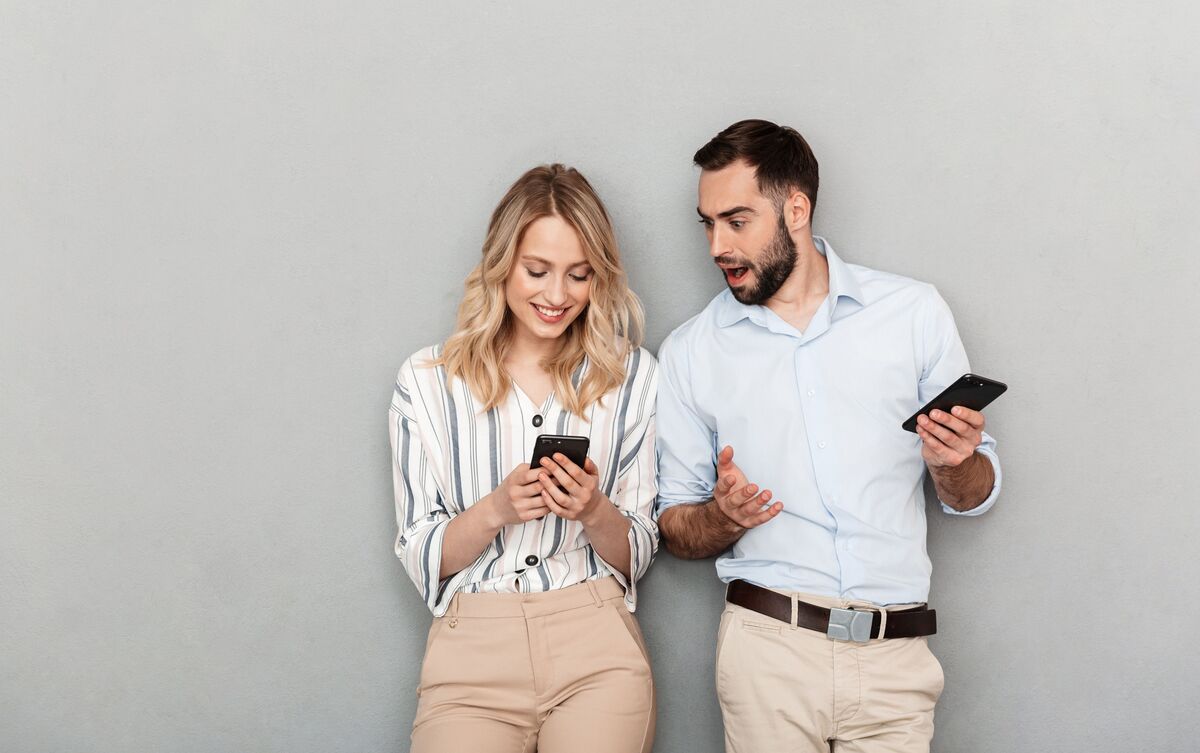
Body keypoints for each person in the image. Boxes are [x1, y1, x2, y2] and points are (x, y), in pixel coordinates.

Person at [655, 119, 1003, 753]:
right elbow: (673, 526)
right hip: (768, 657)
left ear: (796, 208)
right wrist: (724, 517)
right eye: (707, 224)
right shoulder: (689, 353)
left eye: (736, 221)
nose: (716, 247)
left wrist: (955, 463)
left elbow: (971, 493)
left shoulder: (914, 314)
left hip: (897, 661)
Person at [389, 164, 658, 753]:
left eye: (579, 275)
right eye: (537, 271)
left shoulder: (633, 377)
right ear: (502, 263)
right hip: (472, 652)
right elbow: (421, 555)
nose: (557, 296)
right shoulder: (427, 384)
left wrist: (593, 511)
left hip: (595, 642)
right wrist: (494, 510)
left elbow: (638, 550)